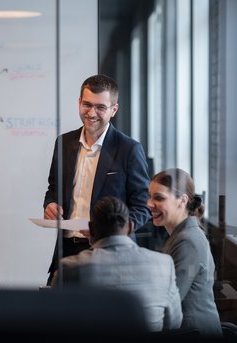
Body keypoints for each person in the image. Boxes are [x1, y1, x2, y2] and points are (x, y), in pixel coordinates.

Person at [44, 74, 151, 285]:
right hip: (67, 249)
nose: (91, 113)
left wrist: (118, 230)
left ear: (114, 110)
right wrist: (50, 204)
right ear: (79, 103)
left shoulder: (129, 149)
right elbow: (54, 187)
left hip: (110, 252)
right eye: (87, 105)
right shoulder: (64, 142)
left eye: (100, 107)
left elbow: (143, 206)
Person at [51, 196, 183, 333]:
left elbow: (54, 323)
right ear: (131, 227)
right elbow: (173, 324)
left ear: (90, 229)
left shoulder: (69, 268)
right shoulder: (164, 264)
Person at [147, 168, 223, 337]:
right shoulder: (181, 235)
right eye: (149, 196)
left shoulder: (187, 241)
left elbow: (169, 301)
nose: (149, 203)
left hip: (193, 333)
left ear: (182, 200)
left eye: (158, 197)